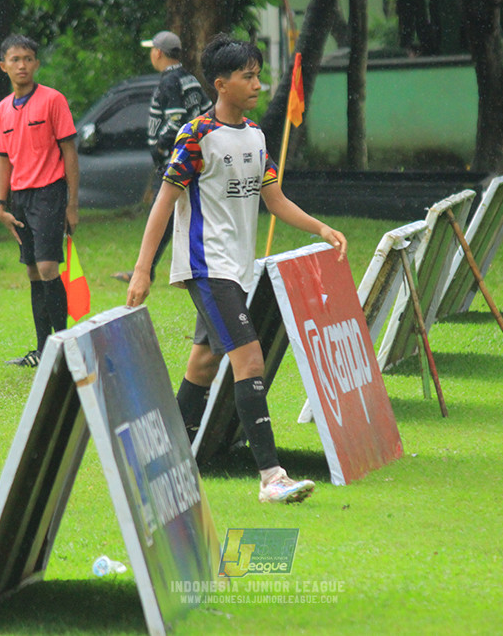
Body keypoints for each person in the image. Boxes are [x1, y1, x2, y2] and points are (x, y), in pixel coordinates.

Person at [125, 34, 348, 504]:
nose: (258, 84)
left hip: (238, 270)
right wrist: (143, 269)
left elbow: (276, 200)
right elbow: (164, 202)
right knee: (250, 360)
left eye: (258, 74)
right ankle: (272, 478)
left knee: (203, 365)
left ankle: (163, 469)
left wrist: (321, 228)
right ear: (221, 84)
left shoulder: (256, 136)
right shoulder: (196, 136)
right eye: (248, 76)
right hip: (208, 269)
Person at [0, 33, 79, 367]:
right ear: (4, 66)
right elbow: (3, 158)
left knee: (47, 266)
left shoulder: (53, 100)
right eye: (15, 60)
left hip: (50, 192)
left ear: (37, 64)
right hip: (19, 197)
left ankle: (62, 344)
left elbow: (69, 151)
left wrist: (72, 203)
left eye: (28, 59)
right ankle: (43, 350)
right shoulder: (2, 109)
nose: (22, 65)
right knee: (31, 270)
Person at [112, 30, 212, 283]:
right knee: (178, 215)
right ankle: (151, 268)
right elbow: (206, 111)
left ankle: (146, 270)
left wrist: (160, 146)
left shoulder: (169, 81)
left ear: (157, 53)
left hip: (175, 160)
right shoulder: (189, 78)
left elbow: (176, 117)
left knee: (163, 213)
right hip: (195, 156)